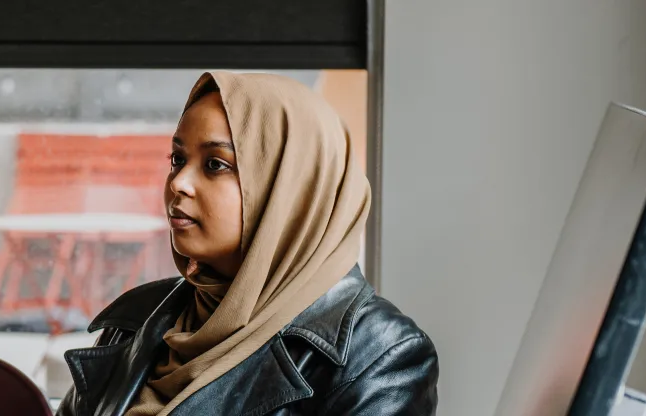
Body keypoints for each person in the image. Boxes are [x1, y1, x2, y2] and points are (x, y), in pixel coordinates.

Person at [57, 72, 439, 416]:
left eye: (215, 165)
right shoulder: (136, 320)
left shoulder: (380, 356)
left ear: (290, 187)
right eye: (177, 159)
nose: (178, 183)